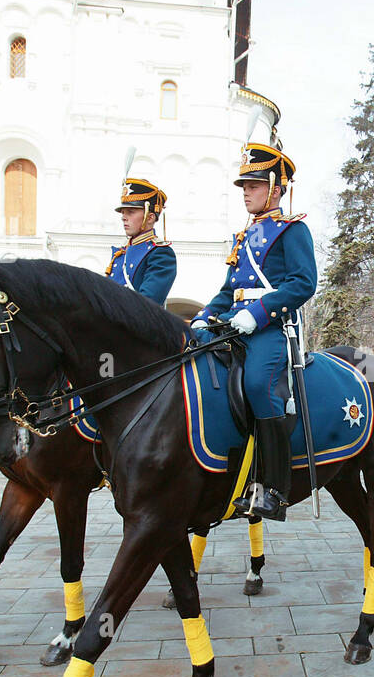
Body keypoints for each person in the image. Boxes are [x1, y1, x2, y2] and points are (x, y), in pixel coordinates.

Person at [192, 144, 316, 522]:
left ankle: (273, 488)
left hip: (269, 328)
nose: (245, 191)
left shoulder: (293, 230)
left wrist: (258, 312)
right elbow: (229, 288)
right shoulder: (244, 236)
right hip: (233, 321)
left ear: (275, 188)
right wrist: (205, 314)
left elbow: (303, 283)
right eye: (243, 185)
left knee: (260, 385)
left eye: (254, 184)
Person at [108, 177, 177, 306]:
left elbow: (146, 305)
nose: (123, 217)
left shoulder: (160, 253)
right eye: (123, 212)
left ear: (149, 217)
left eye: (130, 212)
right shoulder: (121, 252)